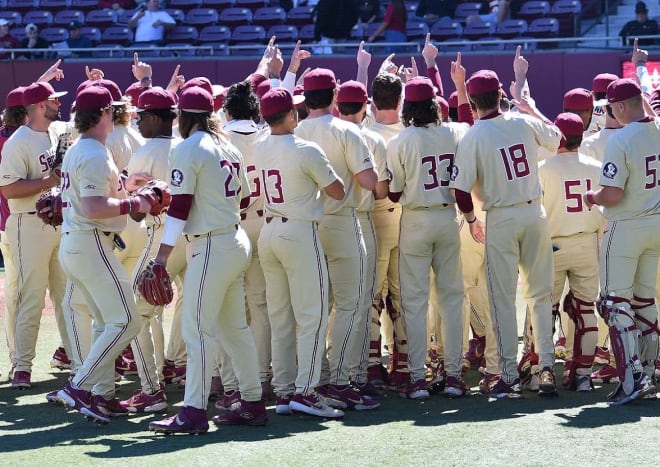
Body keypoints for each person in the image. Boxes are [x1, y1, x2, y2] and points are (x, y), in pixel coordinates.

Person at [148, 86, 265, 434]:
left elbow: (181, 206)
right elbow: (244, 199)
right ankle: (253, 402)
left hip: (212, 244)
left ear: (183, 117)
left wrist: (162, 255)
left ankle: (194, 412)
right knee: (234, 328)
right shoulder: (227, 146)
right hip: (234, 237)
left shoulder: (189, 147)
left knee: (197, 329)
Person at [449, 68, 562, 398]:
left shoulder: (472, 136)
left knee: (502, 300)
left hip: (501, 217)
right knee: (541, 296)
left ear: (472, 100)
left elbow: (460, 191)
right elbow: (558, 138)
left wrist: (471, 220)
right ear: (500, 95)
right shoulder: (521, 121)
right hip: (534, 212)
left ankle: (509, 374)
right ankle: (545, 370)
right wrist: (527, 107)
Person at [54, 85, 155, 423]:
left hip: (79, 241)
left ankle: (102, 394)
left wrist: (125, 183)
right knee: (126, 320)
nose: (115, 114)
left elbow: (95, 193)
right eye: (111, 110)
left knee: (104, 322)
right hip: (91, 240)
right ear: (101, 114)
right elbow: (95, 207)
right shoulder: (95, 152)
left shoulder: (82, 148)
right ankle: (80, 386)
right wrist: (134, 202)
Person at [255, 87, 346, 418]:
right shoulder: (306, 149)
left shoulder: (259, 145)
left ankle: (284, 391)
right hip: (298, 231)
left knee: (281, 317)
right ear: (290, 115)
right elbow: (338, 190)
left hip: (269, 230)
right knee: (312, 315)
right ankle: (306, 391)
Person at [295, 68, 379, 411]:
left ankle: (311, 381)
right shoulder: (347, 130)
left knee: (315, 308)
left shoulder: (295, 130)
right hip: (343, 222)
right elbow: (370, 180)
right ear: (334, 94)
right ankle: (341, 382)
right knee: (352, 304)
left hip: (306, 226)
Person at [387, 77, 468, 399]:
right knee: (451, 300)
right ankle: (453, 375)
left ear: (407, 106)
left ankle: (418, 377)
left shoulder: (400, 140)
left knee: (415, 302)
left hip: (417, 219)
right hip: (448, 216)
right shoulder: (456, 132)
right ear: (434, 104)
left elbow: (394, 193)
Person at [583, 78, 659, 405]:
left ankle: (633, 376)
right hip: (656, 223)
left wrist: (591, 196)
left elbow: (612, 194)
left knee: (615, 302)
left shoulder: (623, 138)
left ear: (622, 106)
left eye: (612, 108)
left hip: (627, 225)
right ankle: (652, 369)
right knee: (645, 300)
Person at [119, 86, 188, 414]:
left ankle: (151, 388)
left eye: (143, 116)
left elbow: (136, 212)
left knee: (137, 313)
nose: (138, 121)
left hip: (162, 238)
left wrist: (130, 191)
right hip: (197, 237)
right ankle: (202, 374)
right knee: (196, 307)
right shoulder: (187, 146)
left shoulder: (145, 152)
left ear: (157, 118)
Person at [0, 82, 71, 389]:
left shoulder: (57, 133)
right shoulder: (18, 141)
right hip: (26, 223)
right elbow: (8, 189)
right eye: (54, 100)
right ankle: (22, 366)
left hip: (58, 224)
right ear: (40, 106)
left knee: (67, 296)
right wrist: (48, 181)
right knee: (31, 297)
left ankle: (78, 359)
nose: (58, 103)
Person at [537, 113, 603, 392]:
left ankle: (545, 370)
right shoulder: (597, 167)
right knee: (587, 309)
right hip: (586, 242)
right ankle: (584, 374)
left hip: (551, 244)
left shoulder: (542, 168)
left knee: (544, 309)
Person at [335, 80, 389, 397]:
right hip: (357, 220)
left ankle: (320, 375)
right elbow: (380, 190)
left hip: (314, 223)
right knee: (357, 302)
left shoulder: (311, 132)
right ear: (366, 105)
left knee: (323, 305)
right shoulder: (370, 138)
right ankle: (354, 372)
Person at [0, 87, 27, 382]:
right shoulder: (11, 142)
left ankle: (18, 361)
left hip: (13, 225)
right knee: (18, 296)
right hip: (13, 225)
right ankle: (19, 362)